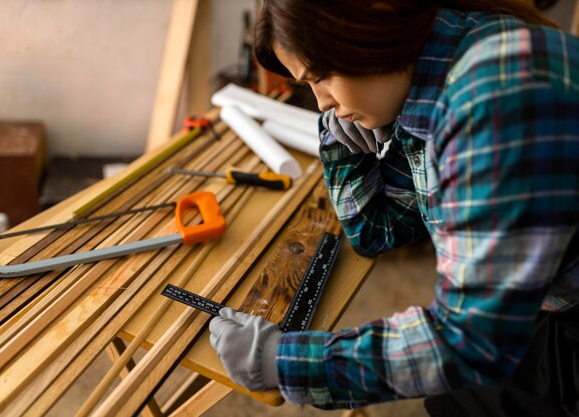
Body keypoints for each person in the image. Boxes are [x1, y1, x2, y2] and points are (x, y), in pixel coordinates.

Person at [208, 1, 579, 415]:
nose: (322, 103)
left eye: (321, 77)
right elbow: (379, 231)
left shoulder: (491, 104)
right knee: (450, 403)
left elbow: (473, 344)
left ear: (363, 33)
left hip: (566, 323)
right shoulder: (434, 74)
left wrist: (285, 363)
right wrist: (345, 147)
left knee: (456, 402)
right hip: (548, 304)